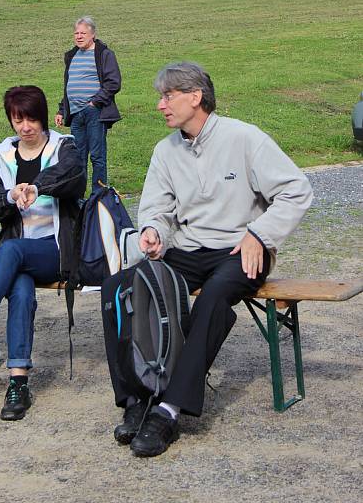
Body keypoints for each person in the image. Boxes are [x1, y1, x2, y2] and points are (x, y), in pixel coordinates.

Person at [101, 61, 313, 458]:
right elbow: (157, 210)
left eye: (168, 96)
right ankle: (135, 399)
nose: (161, 105)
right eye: (160, 97)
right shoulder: (165, 151)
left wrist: (260, 234)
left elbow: (296, 191)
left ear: (195, 97)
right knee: (119, 288)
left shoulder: (245, 139)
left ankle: (169, 409)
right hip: (188, 248)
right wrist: (153, 232)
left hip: (241, 249)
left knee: (214, 296)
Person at [0, 85, 86, 421]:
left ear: (42, 118)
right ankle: (18, 383)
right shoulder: (0, 157)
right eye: (18, 119)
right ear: (10, 120)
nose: (26, 126)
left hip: (57, 251)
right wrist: (10, 197)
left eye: (32, 118)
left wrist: (36, 186)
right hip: (20, 257)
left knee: (10, 250)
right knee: (20, 290)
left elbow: (73, 178)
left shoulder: (63, 147)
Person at [55, 16, 121, 194]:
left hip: (94, 112)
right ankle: (78, 196)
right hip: (76, 114)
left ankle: (98, 197)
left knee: (98, 157)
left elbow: (113, 83)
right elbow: (69, 86)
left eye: (83, 33)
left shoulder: (104, 54)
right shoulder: (72, 55)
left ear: (93, 34)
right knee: (78, 157)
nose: (79, 36)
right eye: (76, 33)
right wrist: (62, 109)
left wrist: (94, 103)